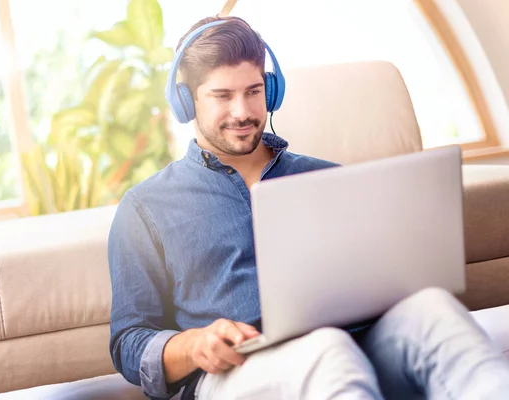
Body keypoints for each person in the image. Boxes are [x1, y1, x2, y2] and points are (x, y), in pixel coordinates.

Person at [108, 15, 509, 400]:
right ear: (185, 101)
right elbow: (129, 341)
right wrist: (193, 344)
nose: (244, 112)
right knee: (327, 351)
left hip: (357, 342)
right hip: (237, 374)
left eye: (253, 91)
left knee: (433, 311)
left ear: (271, 89)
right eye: (222, 96)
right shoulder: (145, 209)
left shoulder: (328, 178)